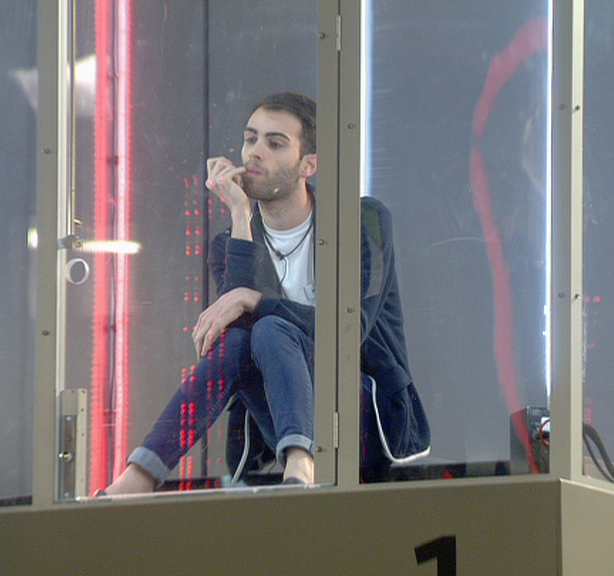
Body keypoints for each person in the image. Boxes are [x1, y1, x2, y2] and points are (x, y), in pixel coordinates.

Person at [102, 92, 429, 494]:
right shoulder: (229, 244)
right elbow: (232, 339)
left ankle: (301, 459)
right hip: (278, 417)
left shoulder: (362, 220)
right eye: (250, 139)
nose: (254, 152)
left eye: (275, 143)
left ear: (308, 165)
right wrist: (240, 215)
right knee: (244, 338)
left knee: (271, 326)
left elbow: (350, 331)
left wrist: (256, 300)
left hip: (358, 411)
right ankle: (141, 475)